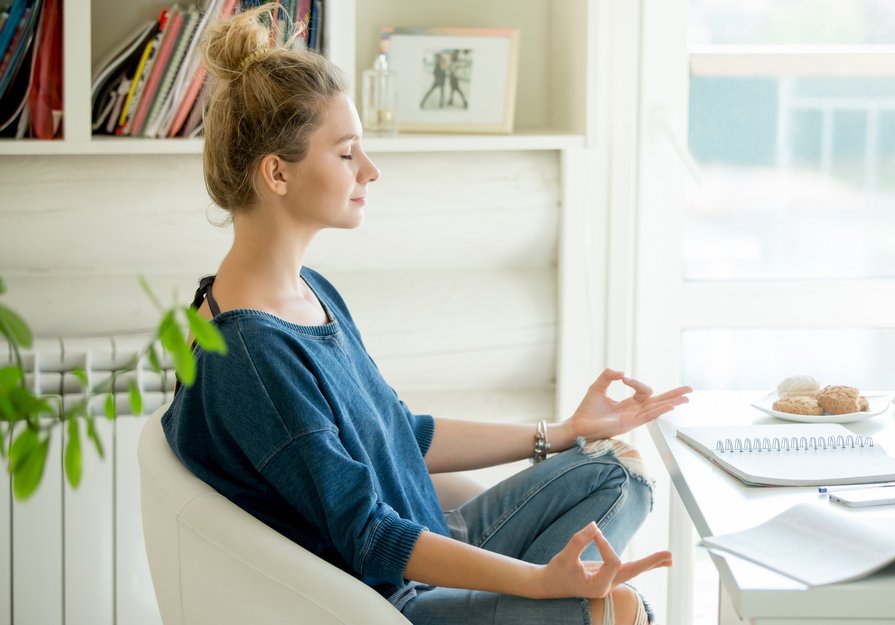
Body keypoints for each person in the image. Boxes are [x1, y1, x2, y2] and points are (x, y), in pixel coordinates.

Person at [164, 5, 691, 625]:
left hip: (433, 534)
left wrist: (564, 430)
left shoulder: (306, 291)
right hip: (393, 600)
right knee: (620, 609)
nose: (370, 170)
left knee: (619, 473)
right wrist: (539, 582)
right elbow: (368, 535)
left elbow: (402, 435)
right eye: (347, 154)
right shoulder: (252, 355)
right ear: (277, 173)